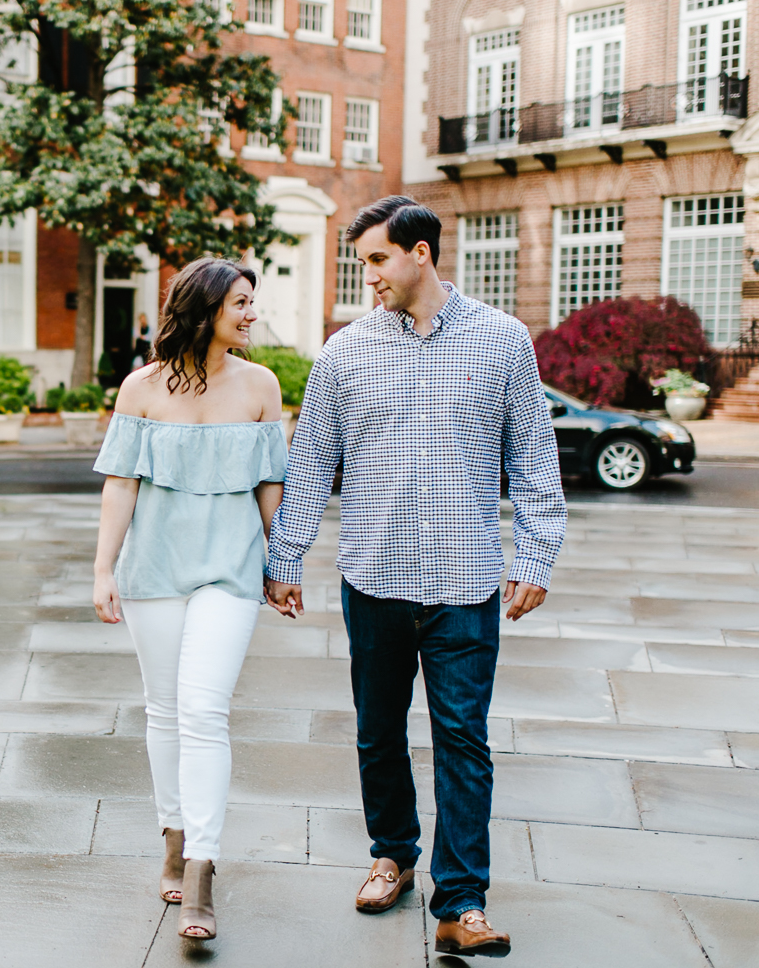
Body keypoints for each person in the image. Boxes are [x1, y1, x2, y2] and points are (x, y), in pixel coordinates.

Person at [264, 197, 566, 958]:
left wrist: (536, 555)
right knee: (377, 732)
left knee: (464, 738)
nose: (367, 276)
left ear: (421, 252)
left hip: (467, 581)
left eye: (375, 260)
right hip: (374, 576)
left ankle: (461, 900)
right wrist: (285, 555)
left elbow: (533, 458)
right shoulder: (344, 353)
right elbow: (311, 464)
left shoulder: (503, 342)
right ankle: (392, 853)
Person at [91, 256, 287, 942]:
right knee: (165, 709)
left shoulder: (261, 385)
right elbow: (121, 485)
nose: (251, 313)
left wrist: (280, 563)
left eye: (251, 301)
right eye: (240, 302)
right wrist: (102, 569)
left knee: (204, 708)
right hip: (154, 569)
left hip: (229, 570)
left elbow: (271, 485)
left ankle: (201, 865)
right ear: (205, 309)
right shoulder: (140, 389)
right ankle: (172, 835)